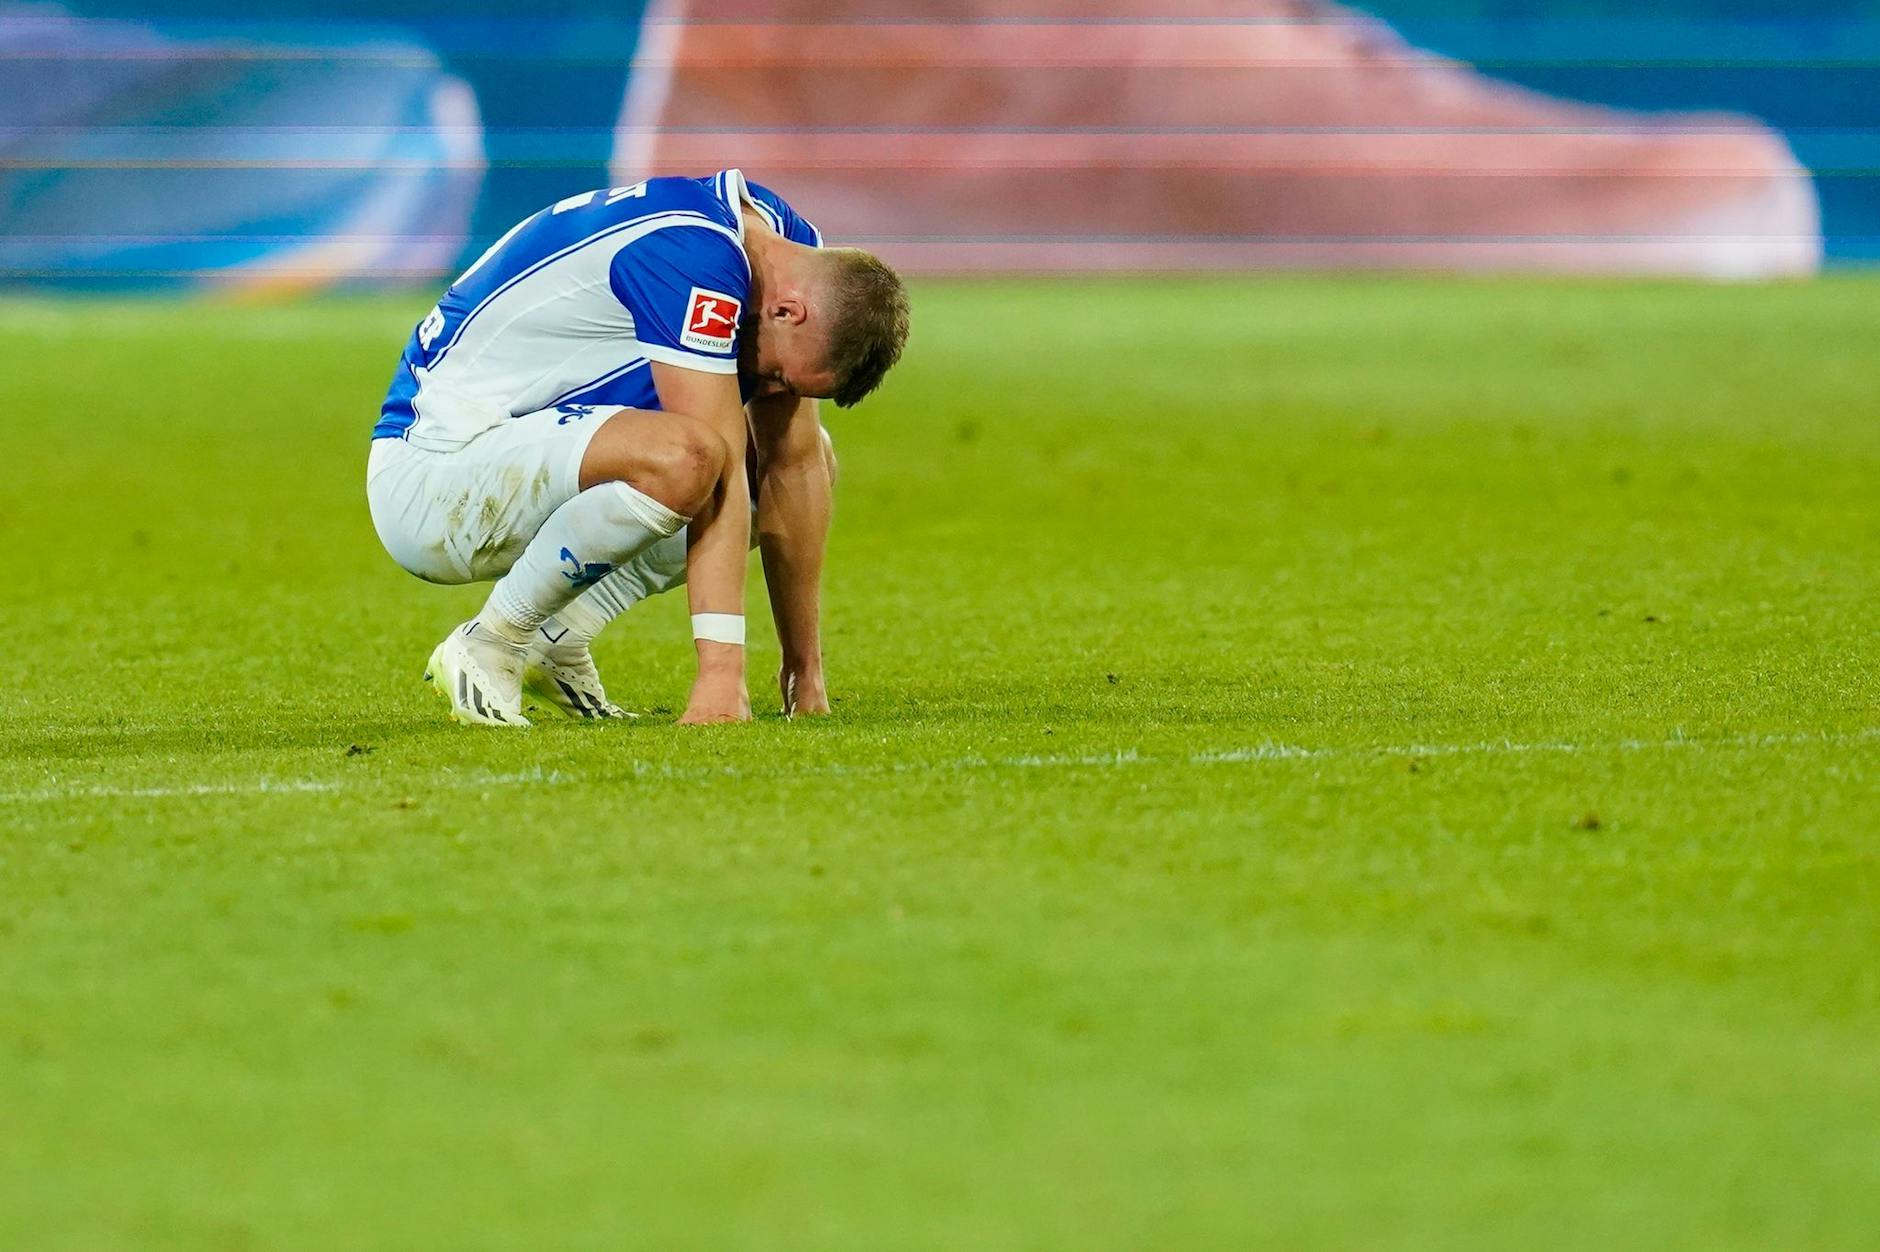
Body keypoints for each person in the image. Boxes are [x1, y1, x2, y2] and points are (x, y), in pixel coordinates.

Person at [366, 169, 911, 727]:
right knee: (690, 457)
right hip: (433, 476)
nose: (768, 392)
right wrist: (721, 678)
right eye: (778, 376)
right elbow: (716, 468)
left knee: (802, 453)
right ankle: (495, 640)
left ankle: (559, 635)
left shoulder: (783, 251)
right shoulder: (691, 253)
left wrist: (803, 671)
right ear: (788, 310)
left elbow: (792, 465)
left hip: (524, 451)